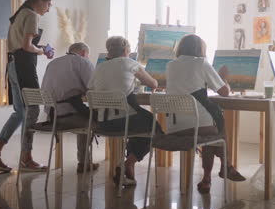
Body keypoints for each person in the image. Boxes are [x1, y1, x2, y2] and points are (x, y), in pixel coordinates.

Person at [166, 34, 246, 194]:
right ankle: (225, 166)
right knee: (215, 132)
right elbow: (224, 92)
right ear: (200, 49)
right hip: (197, 126)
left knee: (210, 130)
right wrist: (223, 77)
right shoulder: (201, 63)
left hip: (173, 127)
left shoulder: (170, 65)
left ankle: (208, 178)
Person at [0, 0, 53, 172]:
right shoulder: (32, 15)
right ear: (39, 0)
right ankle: (26, 158)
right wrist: (43, 51)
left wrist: (37, 47)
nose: (48, 9)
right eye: (48, 4)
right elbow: (26, 46)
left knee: (20, 112)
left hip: (13, 66)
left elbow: (20, 46)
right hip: (24, 68)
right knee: (32, 110)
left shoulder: (19, 15)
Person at [88, 36, 161, 186]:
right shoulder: (130, 63)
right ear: (127, 50)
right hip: (125, 120)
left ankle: (129, 170)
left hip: (103, 122)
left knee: (141, 123)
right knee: (154, 128)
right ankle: (127, 163)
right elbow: (153, 83)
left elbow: (90, 89)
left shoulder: (100, 67)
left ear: (109, 51)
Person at [41, 42, 99, 173]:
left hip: (52, 116)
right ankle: (84, 162)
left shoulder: (53, 63)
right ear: (84, 53)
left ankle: (85, 161)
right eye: (88, 55)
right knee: (92, 119)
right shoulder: (83, 62)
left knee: (84, 115)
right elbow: (94, 88)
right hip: (68, 117)